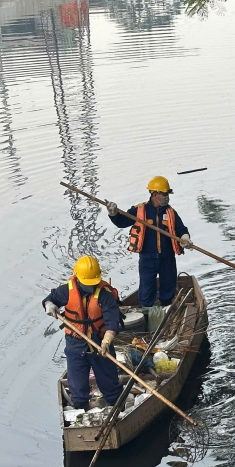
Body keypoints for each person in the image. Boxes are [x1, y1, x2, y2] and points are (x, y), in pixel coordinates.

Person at [44, 255, 123, 410]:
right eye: (87, 283)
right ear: (78, 278)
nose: (90, 286)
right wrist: (49, 305)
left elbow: (112, 320)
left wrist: (106, 341)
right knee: (77, 387)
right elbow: (49, 299)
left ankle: (116, 407)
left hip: (99, 343)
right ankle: (81, 410)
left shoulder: (105, 294)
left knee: (110, 385)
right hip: (75, 344)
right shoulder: (67, 290)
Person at [106, 176, 191, 308]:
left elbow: (181, 228)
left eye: (167, 194)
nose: (167, 197)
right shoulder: (140, 210)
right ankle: (146, 313)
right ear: (155, 194)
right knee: (146, 287)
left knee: (168, 285)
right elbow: (122, 222)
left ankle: (166, 307)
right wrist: (113, 214)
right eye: (164, 194)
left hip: (167, 257)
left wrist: (185, 238)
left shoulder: (171, 212)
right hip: (147, 258)